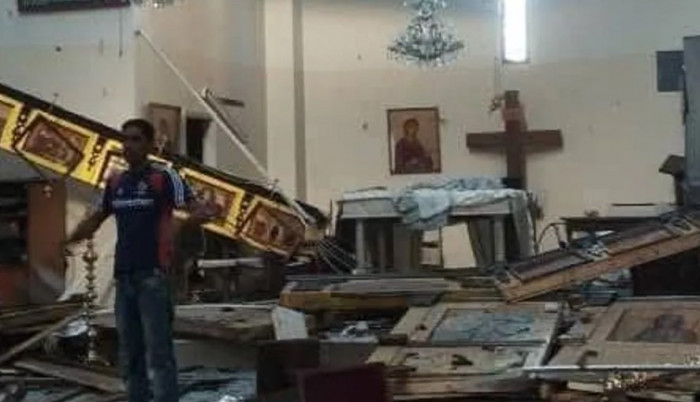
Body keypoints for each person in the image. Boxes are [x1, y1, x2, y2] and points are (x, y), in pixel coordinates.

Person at [65, 119, 212, 402]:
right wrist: (69, 240)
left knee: (158, 352)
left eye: (135, 139)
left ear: (149, 144)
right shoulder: (115, 183)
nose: (128, 146)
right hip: (125, 278)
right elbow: (96, 218)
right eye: (124, 139)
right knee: (130, 353)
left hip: (154, 276)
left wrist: (188, 221)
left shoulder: (165, 178)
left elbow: (197, 210)